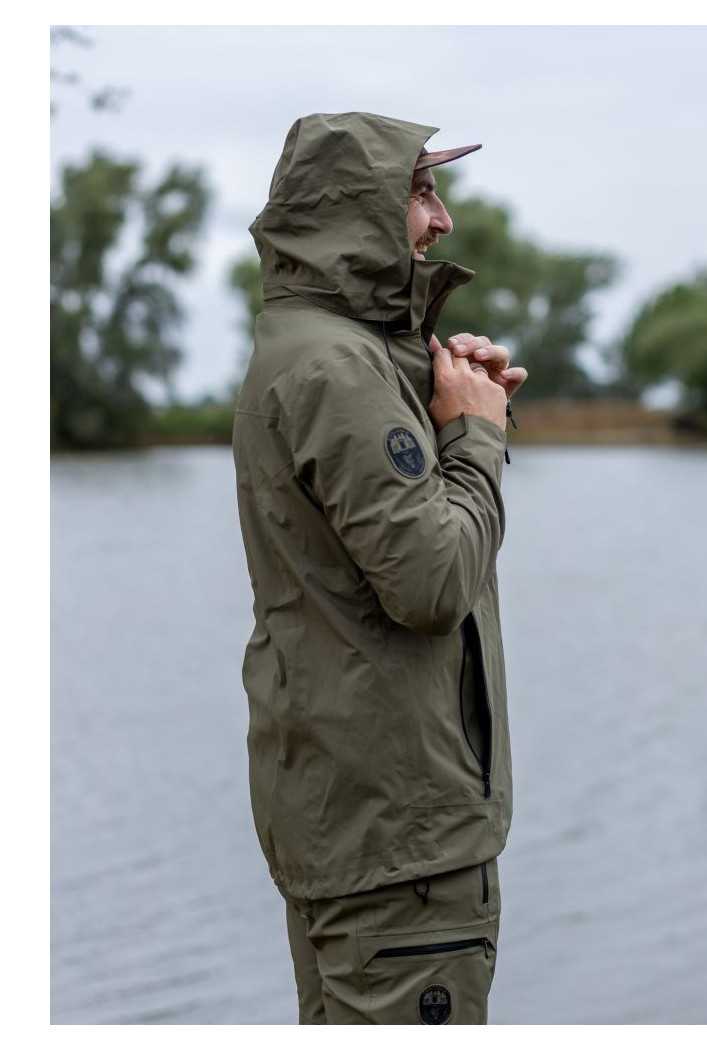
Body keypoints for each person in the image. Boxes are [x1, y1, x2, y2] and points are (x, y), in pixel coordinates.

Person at [232, 111, 527, 1025]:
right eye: (421, 192)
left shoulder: (311, 350)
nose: (443, 220)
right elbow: (432, 582)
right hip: (403, 843)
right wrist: (475, 438)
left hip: (351, 821)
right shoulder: (339, 370)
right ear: (354, 208)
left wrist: (457, 406)